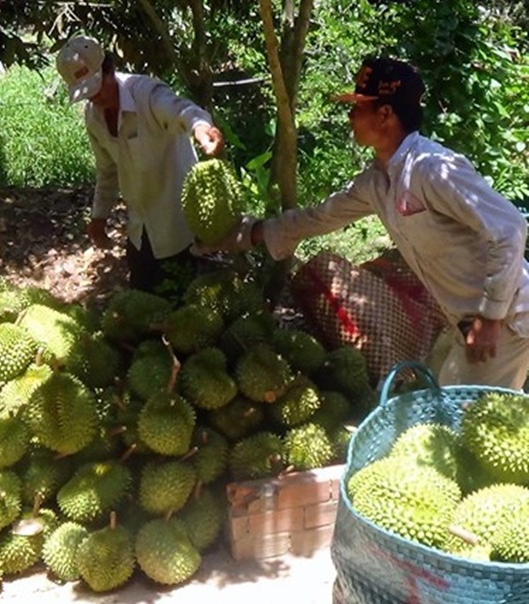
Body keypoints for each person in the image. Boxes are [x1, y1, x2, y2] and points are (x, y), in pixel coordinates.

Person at [194, 56, 529, 390]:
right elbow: (320, 217)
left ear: (385, 114)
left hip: (509, 320)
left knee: (463, 422)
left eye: (358, 107)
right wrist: (248, 233)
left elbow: (510, 228)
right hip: (467, 322)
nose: (350, 116)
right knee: (436, 398)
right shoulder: (376, 182)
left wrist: (491, 317)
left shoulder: (431, 168)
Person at [55, 35, 224, 298]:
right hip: (139, 226)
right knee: (142, 303)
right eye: (88, 93)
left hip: (176, 223)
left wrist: (200, 127)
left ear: (109, 68)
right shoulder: (93, 117)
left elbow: (180, 110)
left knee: (179, 305)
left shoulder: (146, 94)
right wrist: (99, 217)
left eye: (97, 87)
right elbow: (107, 170)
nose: (96, 98)